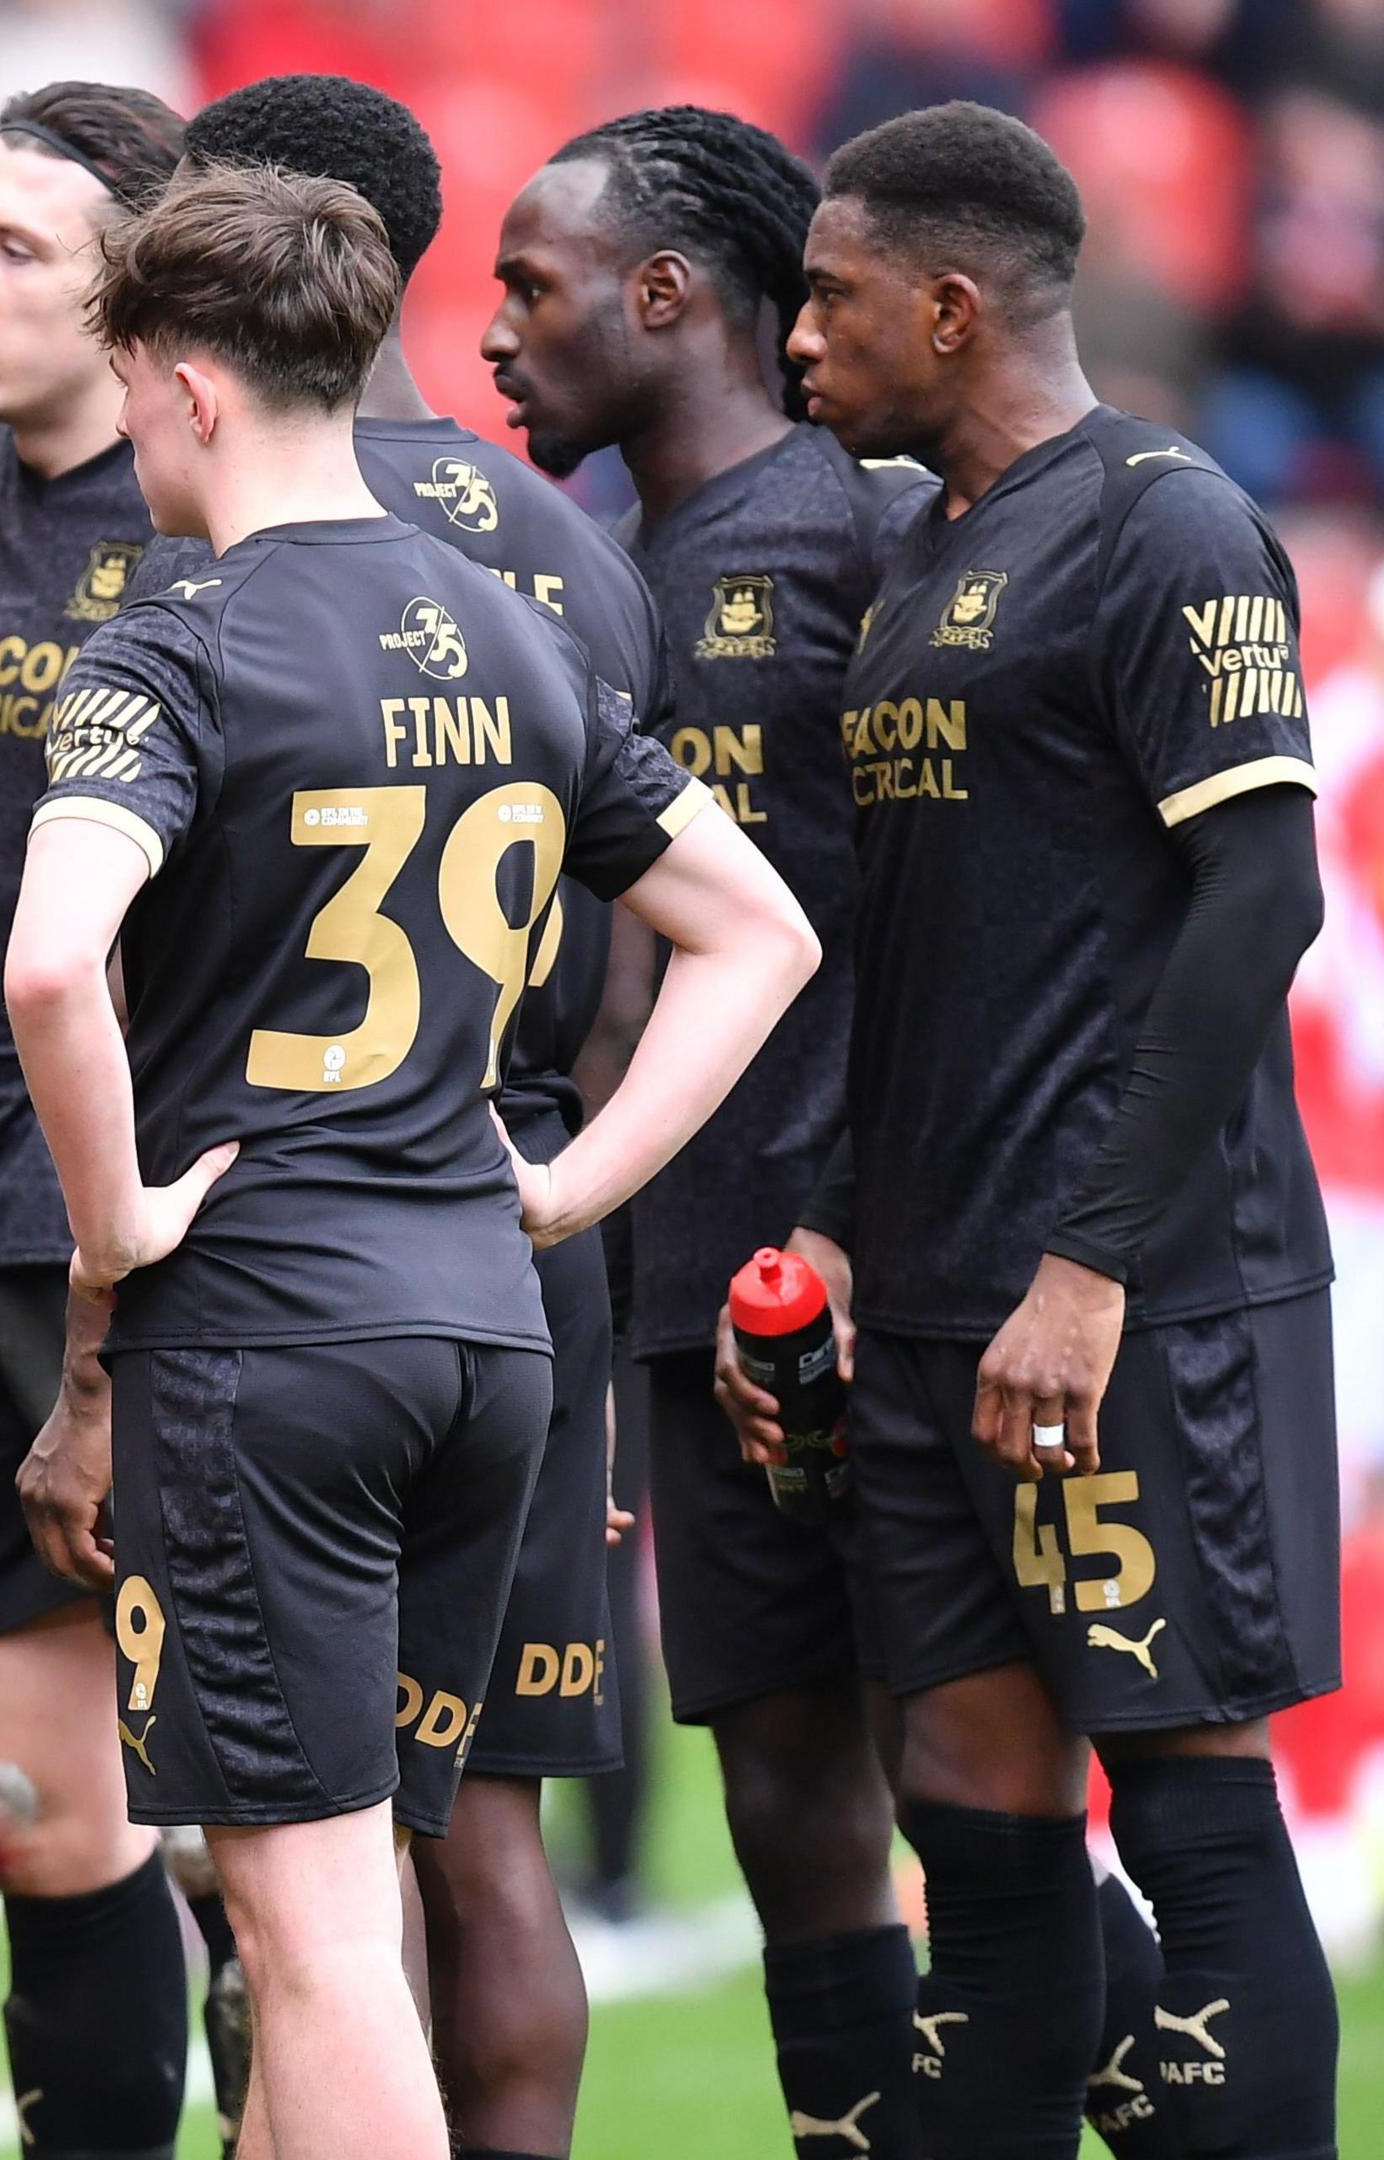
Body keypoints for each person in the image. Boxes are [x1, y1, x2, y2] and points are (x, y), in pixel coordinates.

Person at [8, 164, 815, 2160]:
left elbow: (47, 964)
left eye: (130, 389)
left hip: (269, 1335)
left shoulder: (171, 646)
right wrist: (575, 1184)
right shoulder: (520, 636)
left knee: (315, 1938)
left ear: (190, 389)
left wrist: (112, 1233)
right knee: (366, 1882)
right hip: (484, 1326)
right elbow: (760, 934)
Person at [478, 105, 1190, 2160]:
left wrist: (869, 1220)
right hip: (680, 1271)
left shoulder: (872, 534)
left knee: (959, 1781)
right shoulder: (600, 576)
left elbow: (968, 914)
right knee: (788, 1787)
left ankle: (1199, 2124)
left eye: (532, 289)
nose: (500, 335)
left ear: (664, 293)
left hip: (874, 1268)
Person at [745, 100, 1343, 2160]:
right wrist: (837, 1237)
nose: (797, 339)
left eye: (827, 299)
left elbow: (1262, 898)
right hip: (929, 1313)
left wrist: (1089, 1269)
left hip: (1131, 1310)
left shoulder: (1166, 525)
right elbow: (925, 965)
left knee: (1185, 1809)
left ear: (949, 304)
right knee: (976, 1830)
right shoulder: (919, 558)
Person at [170, 77, 669, 2155]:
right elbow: (655, 953)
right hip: (511, 1220)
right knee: (490, 1835)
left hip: (275, 1236)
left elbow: (98, 946)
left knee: (297, 1863)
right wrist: (574, 1190)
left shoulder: (222, 527)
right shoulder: (567, 556)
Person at [0, 82, 210, 2160]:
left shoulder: (202, 532)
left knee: (266, 1821)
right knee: (28, 1811)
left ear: (135, 290)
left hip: (163, 1237)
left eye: (13, 247)